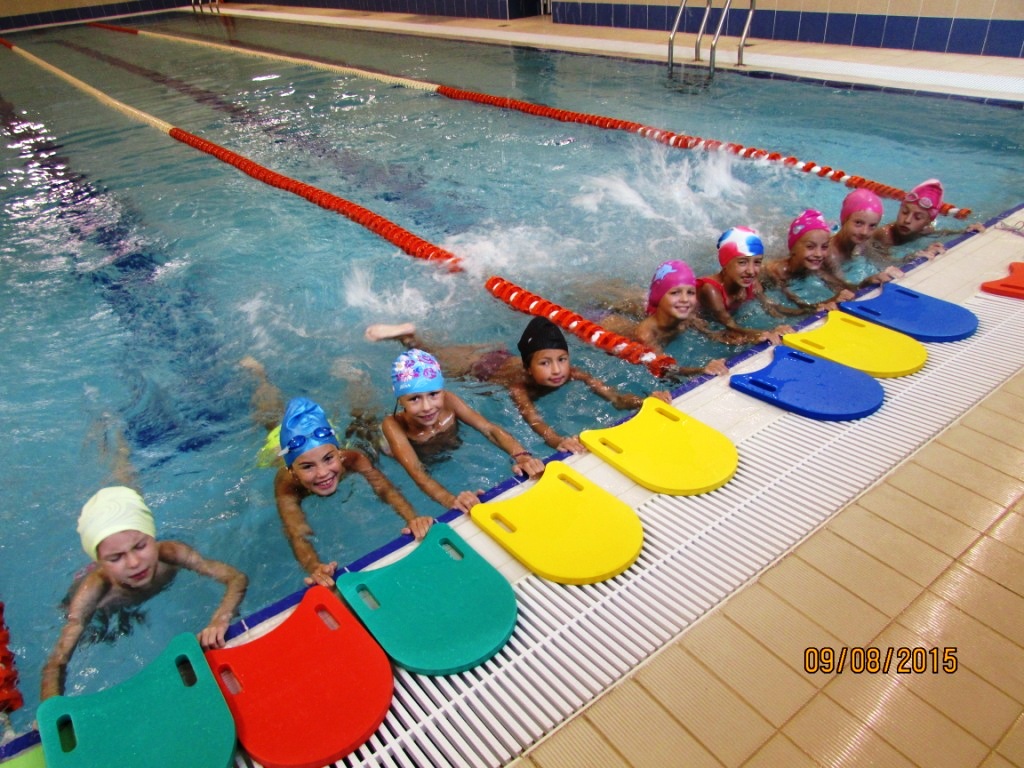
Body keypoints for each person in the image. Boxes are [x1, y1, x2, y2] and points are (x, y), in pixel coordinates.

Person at [41, 486, 248, 700]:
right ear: (100, 562)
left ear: (152, 536)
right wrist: (53, 706)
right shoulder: (94, 592)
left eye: (140, 546)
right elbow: (57, 661)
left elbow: (236, 578)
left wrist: (220, 618)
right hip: (107, 610)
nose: (134, 563)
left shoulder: (171, 554)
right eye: (116, 558)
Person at [367, 317, 671, 454]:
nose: (557, 370)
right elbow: (535, 422)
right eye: (545, 363)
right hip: (478, 368)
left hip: (503, 356)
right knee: (433, 357)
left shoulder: (574, 373)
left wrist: (644, 401)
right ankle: (409, 338)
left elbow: (615, 397)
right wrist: (558, 441)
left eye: (561, 360)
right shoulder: (518, 388)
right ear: (529, 368)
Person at [271, 395, 433, 588]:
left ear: (339, 454)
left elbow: (386, 490)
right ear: (292, 471)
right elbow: (296, 531)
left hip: (315, 436)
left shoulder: (353, 459)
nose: (322, 473)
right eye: (307, 467)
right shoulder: (286, 483)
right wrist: (314, 566)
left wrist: (412, 519)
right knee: (270, 422)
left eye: (329, 459)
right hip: (274, 448)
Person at [380, 348, 546, 514]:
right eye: (414, 398)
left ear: (442, 390)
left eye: (434, 394)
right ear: (400, 400)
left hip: (446, 443)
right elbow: (417, 472)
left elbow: (489, 429)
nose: (427, 407)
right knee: (384, 447)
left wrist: (521, 455)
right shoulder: (393, 424)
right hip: (412, 450)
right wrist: (451, 500)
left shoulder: (449, 401)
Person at [695, 227, 796, 345]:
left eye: (757, 262)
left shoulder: (751, 282)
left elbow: (772, 308)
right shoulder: (710, 289)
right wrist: (766, 333)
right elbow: (730, 325)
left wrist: (807, 311)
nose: (751, 271)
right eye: (742, 262)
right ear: (725, 263)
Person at [763, 209, 856, 308]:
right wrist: (832, 300)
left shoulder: (815, 265)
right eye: (810, 247)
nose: (818, 254)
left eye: (824, 247)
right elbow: (794, 305)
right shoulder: (776, 271)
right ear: (793, 249)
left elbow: (841, 286)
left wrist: (864, 283)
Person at [872, 178, 985, 259]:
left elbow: (942, 233)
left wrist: (965, 231)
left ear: (928, 222)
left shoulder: (925, 229)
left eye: (918, 217)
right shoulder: (884, 235)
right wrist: (912, 257)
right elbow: (882, 263)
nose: (907, 220)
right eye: (905, 212)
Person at [829, 189, 903, 286]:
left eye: (872, 226)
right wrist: (867, 282)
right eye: (858, 223)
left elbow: (884, 263)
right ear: (844, 220)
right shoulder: (830, 255)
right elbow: (843, 289)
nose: (864, 232)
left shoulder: (862, 244)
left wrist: (912, 258)